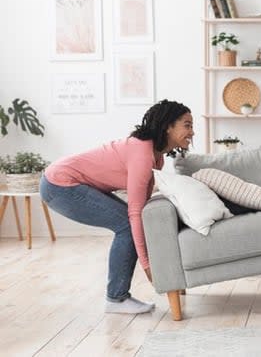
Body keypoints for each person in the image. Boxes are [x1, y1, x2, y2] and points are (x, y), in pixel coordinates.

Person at [39, 100, 193, 314]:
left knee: (128, 224)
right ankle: (116, 298)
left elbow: (143, 209)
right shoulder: (142, 154)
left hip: (70, 182)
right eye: (187, 125)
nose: (192, 132)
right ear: (168, 126)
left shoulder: (156, 159)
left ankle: (117, 297)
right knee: (126, 225)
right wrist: (147, 264)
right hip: (59, 184)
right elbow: (136, 213)